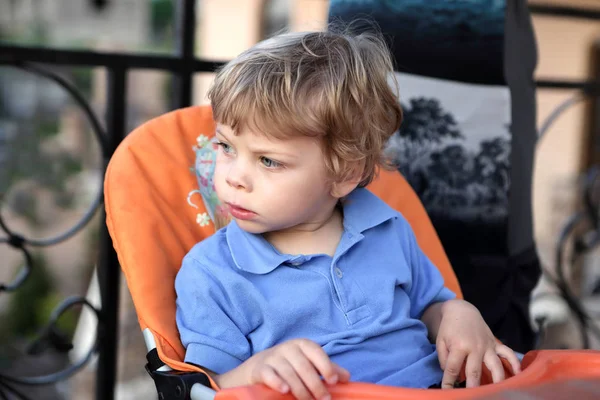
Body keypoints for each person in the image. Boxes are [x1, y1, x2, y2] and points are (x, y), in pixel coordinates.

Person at [175, 27, 521, 400]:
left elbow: (430, 307)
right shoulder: (212, 272)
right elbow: (205, 388)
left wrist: (458, 314)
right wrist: (257, 370)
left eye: (268, 161)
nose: (233, 177)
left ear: (344, 174)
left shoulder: (387, 228)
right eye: (225, 146)